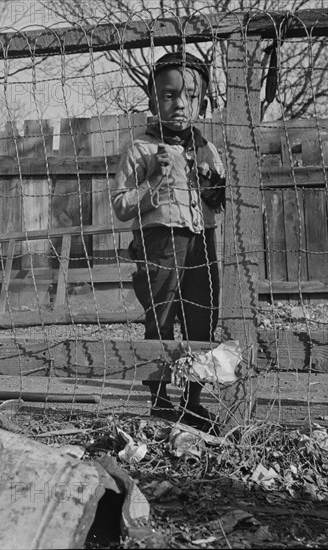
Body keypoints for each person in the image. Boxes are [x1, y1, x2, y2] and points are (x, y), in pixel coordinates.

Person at [111, 51, 225, 432]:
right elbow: (121, 206)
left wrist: (212, 183)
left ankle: (193, 401)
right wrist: (150, 182)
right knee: (160, 319)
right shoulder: (140, 148)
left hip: (201, 242)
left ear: (203, 102)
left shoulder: (208, 149)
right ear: (152, 100)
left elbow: (221, 201)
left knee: (201, 320)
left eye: (190, 96)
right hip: (160, 243)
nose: (180, 104)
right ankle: (159, 401)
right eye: (169, 95)